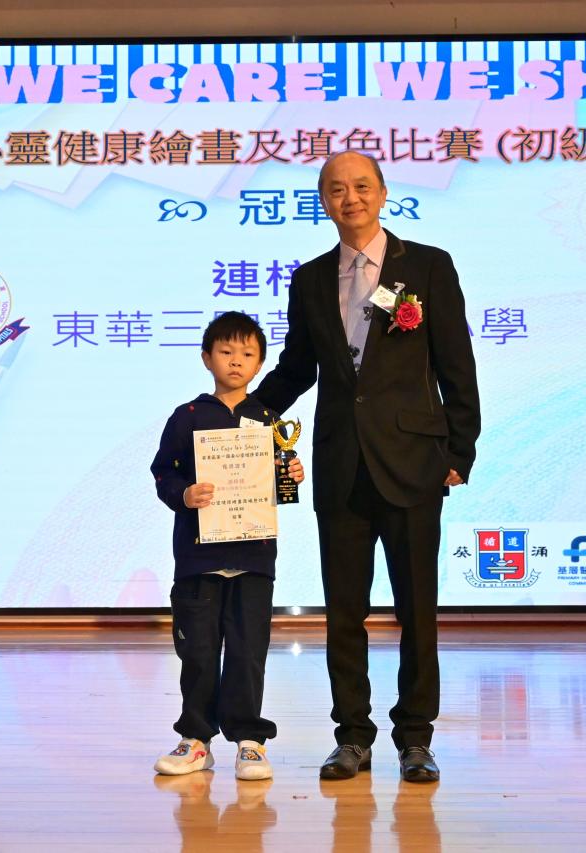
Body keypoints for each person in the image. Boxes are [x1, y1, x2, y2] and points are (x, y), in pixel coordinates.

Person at [253, 151, 481, 783]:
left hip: (414, 463)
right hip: (341, 465)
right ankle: (352, 735)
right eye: (335, 189)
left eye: (360, 186)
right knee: (344, 611)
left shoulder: (428, 266)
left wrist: (459, 451)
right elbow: (298, 368)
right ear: (323, 202)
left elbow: (456, 363)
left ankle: (416, 738)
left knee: (418, 610)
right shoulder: (310, 279)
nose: (348, 198)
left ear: (382, 193)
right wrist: (241, 413)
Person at [150, 311, 305, 781]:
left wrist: (290, 477)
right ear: (206, 358)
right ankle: (196, 739)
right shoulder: (187, 417)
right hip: (199, 558)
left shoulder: (269, 420)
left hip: (253, 558)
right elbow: (164, 472)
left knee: (247, 651)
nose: (236, 361)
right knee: (197, 653)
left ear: (259, 364)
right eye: (226, 351)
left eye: (248, 353)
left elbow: (275, 485)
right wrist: (183, 494)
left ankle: (249, 741)